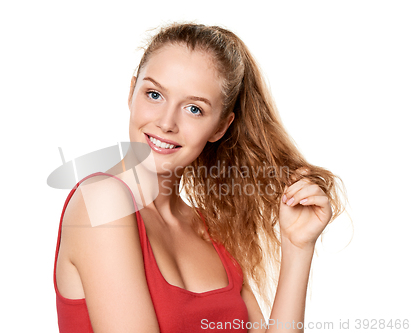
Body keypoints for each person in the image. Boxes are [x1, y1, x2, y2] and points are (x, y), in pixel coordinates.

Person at [53, 22, 347, 333]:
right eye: (154, 94)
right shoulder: (101, 201)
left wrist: (297, 248)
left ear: (221, 127)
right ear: (131, 92)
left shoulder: (212, 229)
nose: (167, 123)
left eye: (193, 109)